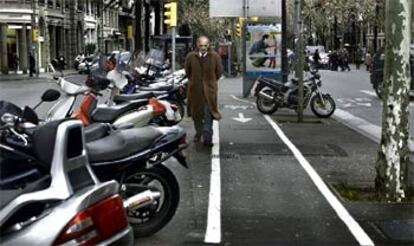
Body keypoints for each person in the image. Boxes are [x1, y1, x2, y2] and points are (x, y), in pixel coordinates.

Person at [184, 36, 223, 147]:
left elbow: (219, 72)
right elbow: (187, 72)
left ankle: (207, 138)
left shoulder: (215, 57)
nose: (203, 48)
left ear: (208, 45)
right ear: (197, 45)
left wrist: (210, 83)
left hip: (209, 93)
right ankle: (198, 132)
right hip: (195, 92)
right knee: (196, 115)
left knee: (208, 115)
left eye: (205, 45)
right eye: (201, 45)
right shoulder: (191, 57)